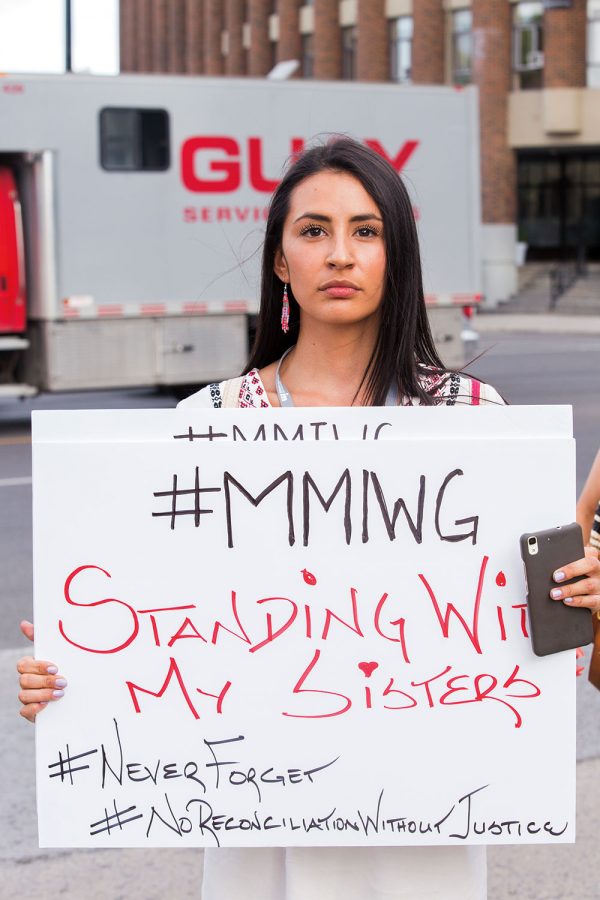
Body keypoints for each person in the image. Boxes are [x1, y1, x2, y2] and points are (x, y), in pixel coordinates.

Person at [17, 137, 600, 899]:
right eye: (314, 230)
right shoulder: (207, 424)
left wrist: (579, 601)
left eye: (366, 231)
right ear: (280, 261)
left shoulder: (476, 421)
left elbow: (545, 649)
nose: (340, 254)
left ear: (399, 257)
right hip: (265, 849)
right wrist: (70, 680)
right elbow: (158, 634)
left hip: (432, 836)